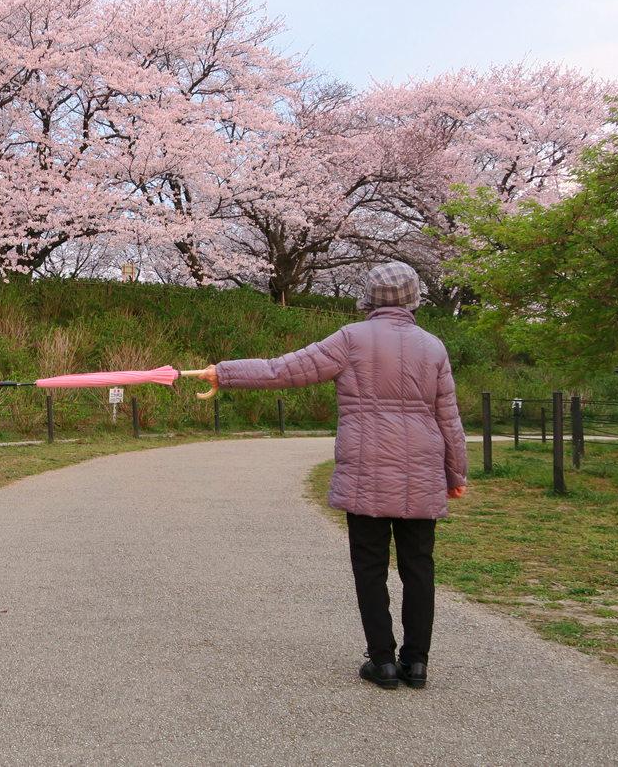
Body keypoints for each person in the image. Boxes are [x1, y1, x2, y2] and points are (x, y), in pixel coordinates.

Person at [198, 262, 467, 690]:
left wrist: (225, 372)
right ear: (414, 298)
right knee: (419, 566)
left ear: (369, 298)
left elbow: (281, 370)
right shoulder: (432, 346)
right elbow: (447, 416)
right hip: (422, 468)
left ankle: (381, 662)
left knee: (370, 566)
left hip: (366, 467)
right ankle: (416, 663)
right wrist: (456, 472)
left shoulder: (350, 339)